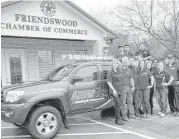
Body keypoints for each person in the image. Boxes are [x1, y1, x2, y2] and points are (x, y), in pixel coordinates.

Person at [107, 59, 124, 125]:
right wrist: (114, 90)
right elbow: (109, 82)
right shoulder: (110, 72)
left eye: (116, 64)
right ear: (112, 64)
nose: (115, 65)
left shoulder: (119, 71)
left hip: (120, 90)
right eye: (114, 63)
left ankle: (117, 119)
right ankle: (118, 119)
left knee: (118, 105)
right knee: (118, 104)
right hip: (114, 91)